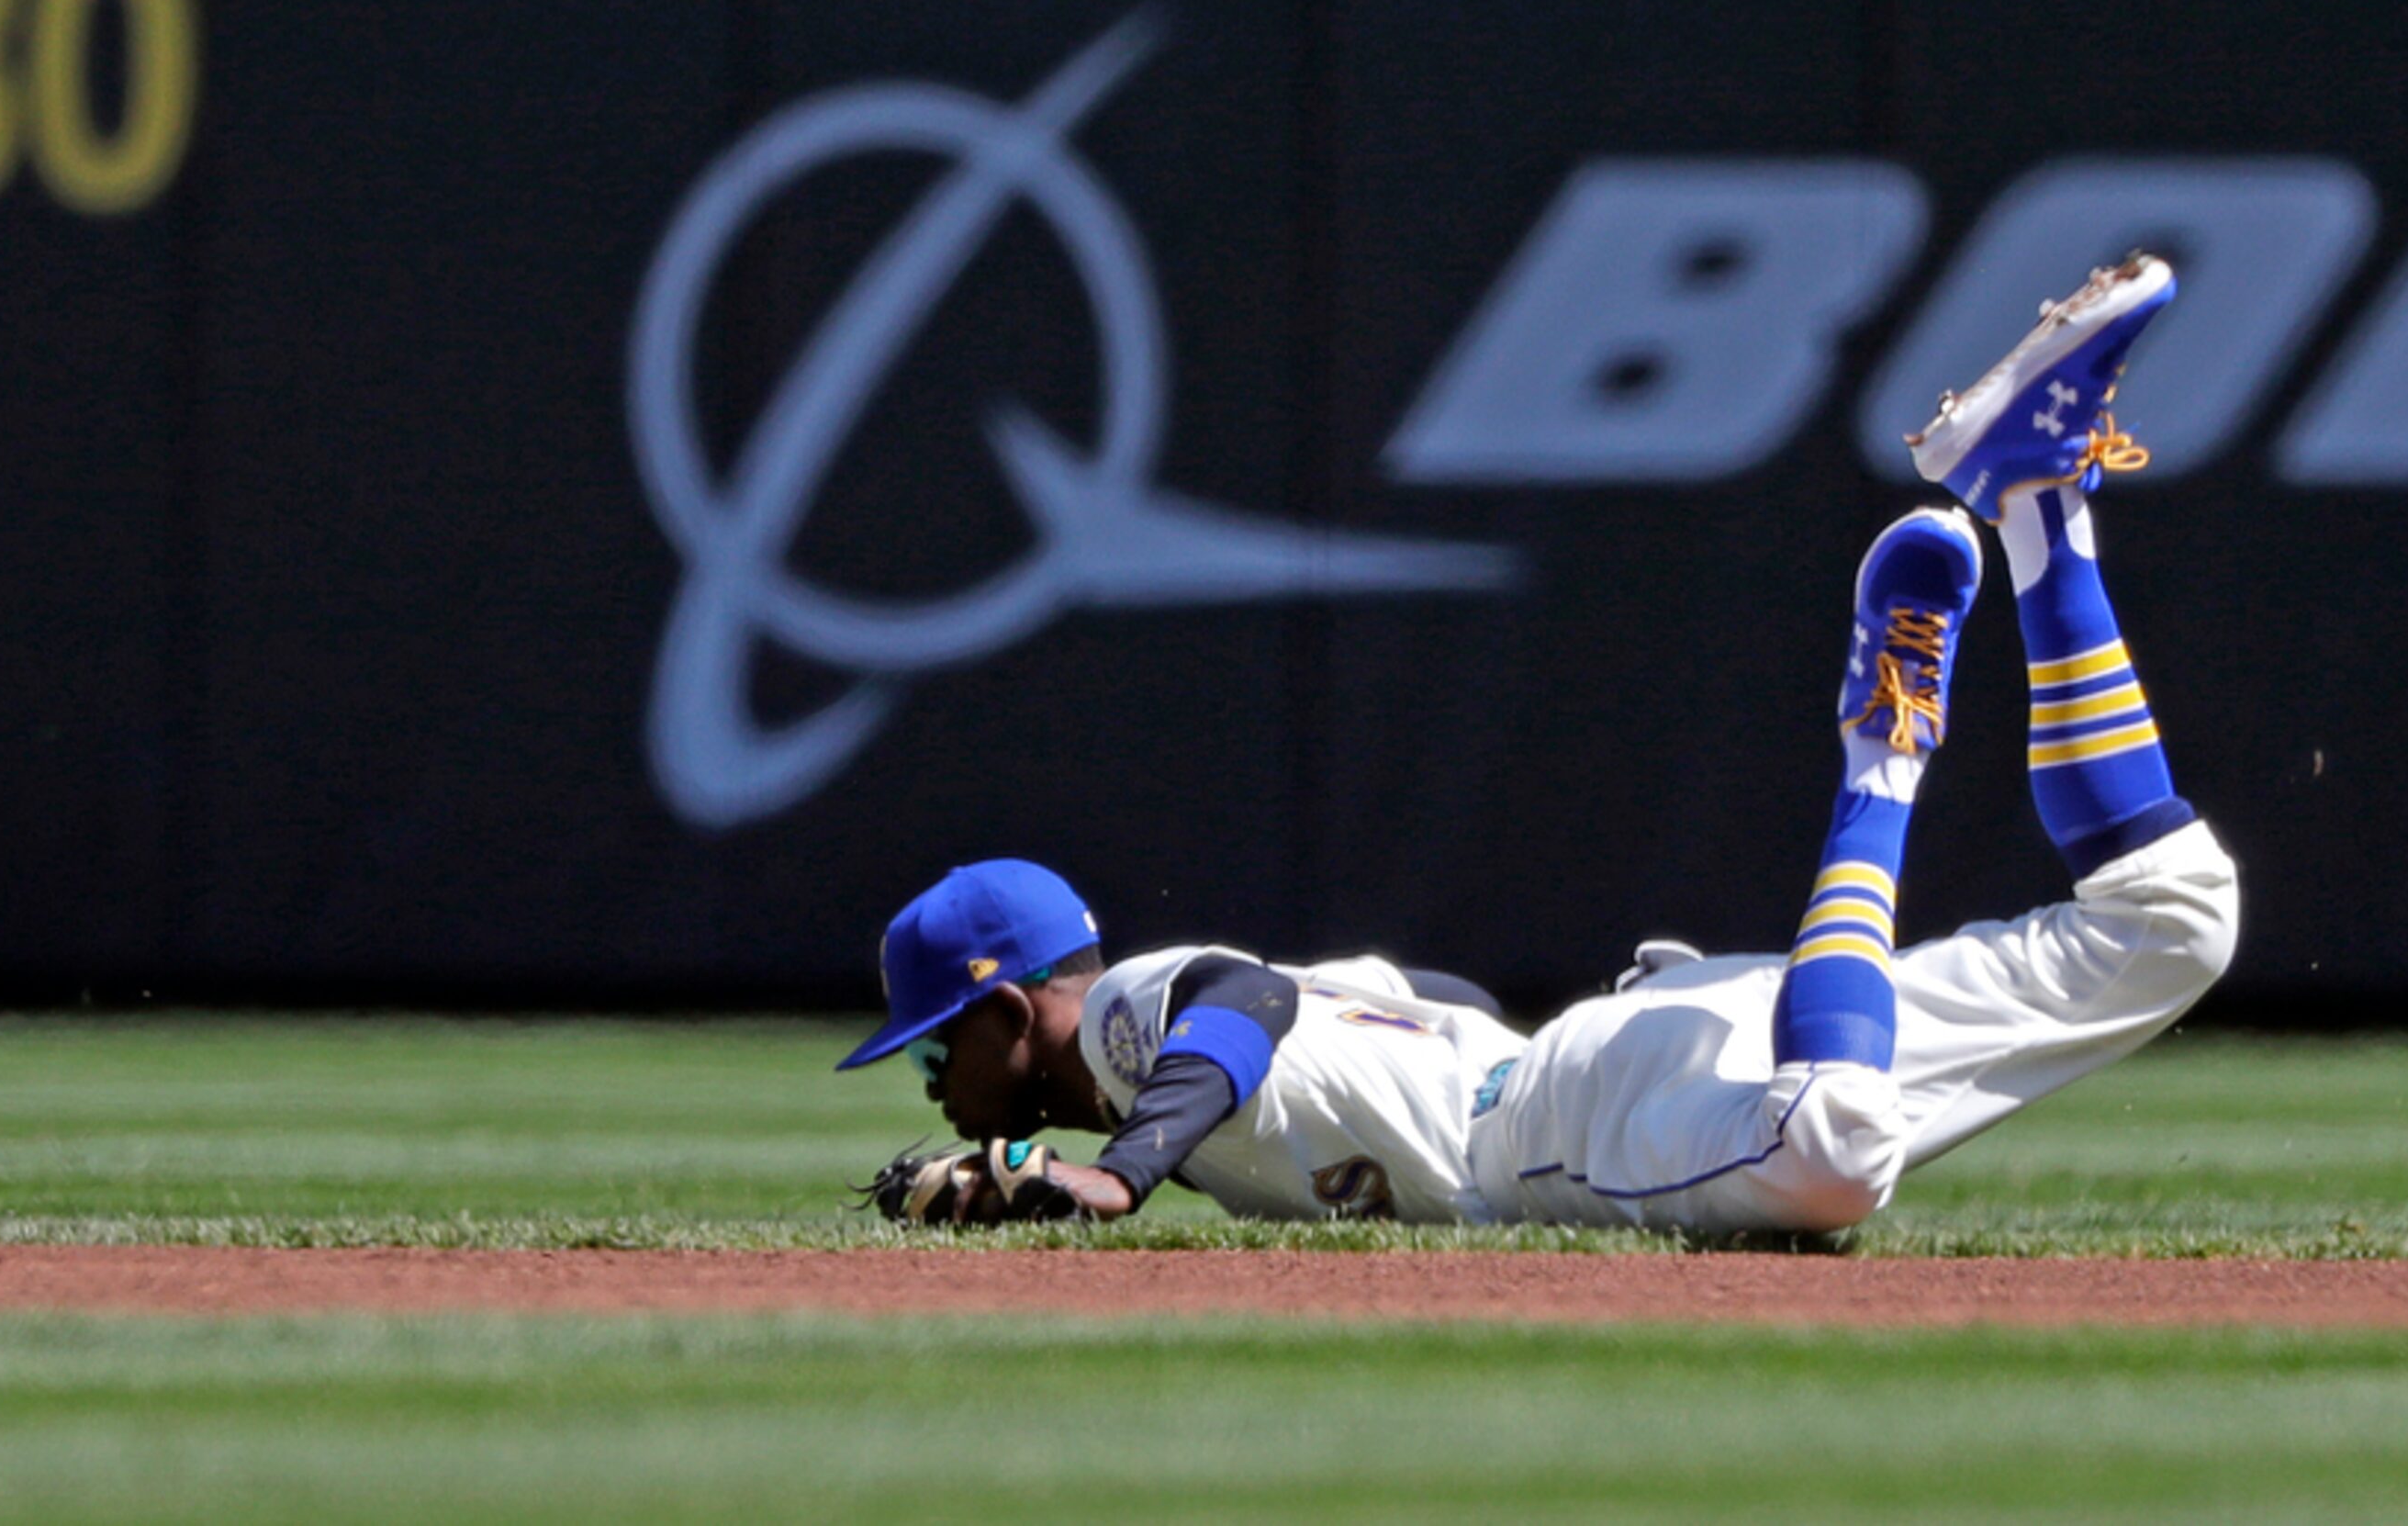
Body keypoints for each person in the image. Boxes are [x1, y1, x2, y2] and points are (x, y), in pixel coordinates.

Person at [839, 252, 2239, 1234]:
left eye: (931, 1052)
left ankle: (1883, 755)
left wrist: (1126, 1174)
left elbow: (1232, 1006)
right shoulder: (1190, 1063)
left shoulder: (1146, 1016)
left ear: (1012, 1012)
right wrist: (1017, 1176)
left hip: (1548, 1132)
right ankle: (2040, 497)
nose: (933, 1088)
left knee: (1830, 1154)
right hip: (1617, 1052)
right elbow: (1399, 994)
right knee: (2175, 924)